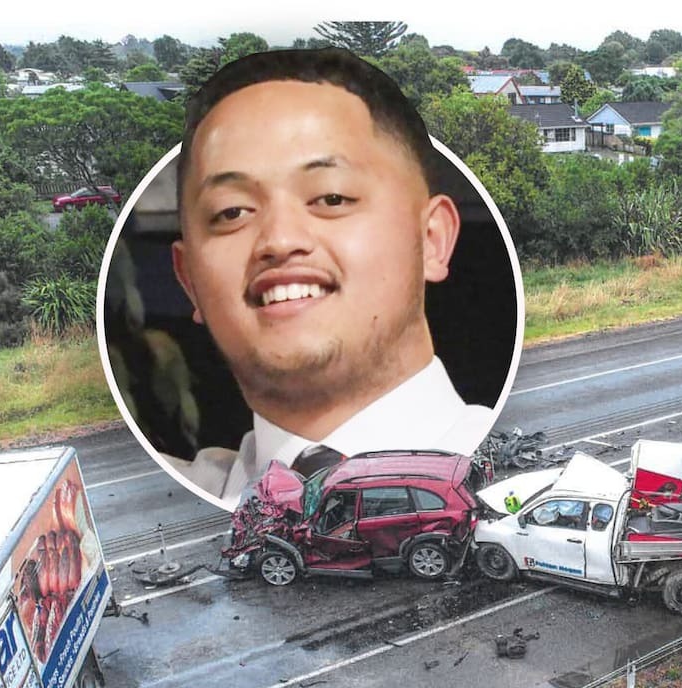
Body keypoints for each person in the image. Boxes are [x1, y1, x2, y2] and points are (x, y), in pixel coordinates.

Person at [162, 48, 495, 508]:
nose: (279, 240)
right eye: (231, 212)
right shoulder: (172, 495)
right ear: (189, 280)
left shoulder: (523, 476)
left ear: (432, 240)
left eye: (332, 197)